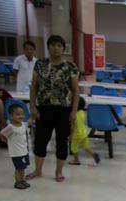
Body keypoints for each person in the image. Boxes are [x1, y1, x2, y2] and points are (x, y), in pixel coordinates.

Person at [26, 34, 80, 183]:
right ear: (48, 47)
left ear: (63, 49)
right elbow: (34, 87)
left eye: (59, 46)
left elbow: (76, 91)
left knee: (62, 141)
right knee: (40, 140)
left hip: (64, 109)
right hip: (44, 108)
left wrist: (74, 111)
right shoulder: (40, 64)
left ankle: (59, 171)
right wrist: (33, 107)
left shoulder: (71, 67)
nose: (56, 48)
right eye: (53, 45)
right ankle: (38, 170)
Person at [0, 103, 31, 189]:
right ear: (11, 116)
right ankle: (17, 182)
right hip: (16, 153)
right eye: (17, 114)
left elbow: (30, 121)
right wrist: (8, 142)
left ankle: (22, 180)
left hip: (24, 151)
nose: (21, 116)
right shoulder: (10, 127)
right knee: (18, 168)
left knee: (23, 168)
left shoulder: (23, 124)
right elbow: (2, 134)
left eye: (22, 114)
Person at [69, 97, 101, 166]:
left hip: (77, 134)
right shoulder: (82, 112)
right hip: (84, 132)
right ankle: (93, 154)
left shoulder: (73, 115)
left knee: (74, 147)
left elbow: (72, 126)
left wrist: (71, 135)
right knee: (85, 146)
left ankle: (76, 160)